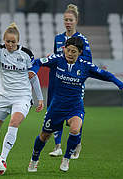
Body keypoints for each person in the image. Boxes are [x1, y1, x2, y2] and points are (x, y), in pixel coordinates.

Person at [27, 37, 123, 172]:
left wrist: (121, 85)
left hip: (75, 106)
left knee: (75, 129)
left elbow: (106, 75)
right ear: (64, 49)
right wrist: (33, 71)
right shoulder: (57, 59)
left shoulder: (85, 66)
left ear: (80, 52)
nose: (70, 54)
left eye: (74, 52)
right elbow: (37, 62)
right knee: (44, 135)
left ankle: (66, 160)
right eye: (68, 50)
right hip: (57, 106)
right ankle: (34, 159)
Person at [0, 22, 44, 171]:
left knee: (14, 122)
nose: (10, 44)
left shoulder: (26, 54)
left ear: (18, 42)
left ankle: (2, 159)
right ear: (4, 40)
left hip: (22, 97)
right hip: (3, 96)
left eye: (13, 42)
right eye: (7, 41)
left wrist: (40, 98)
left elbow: (33, 77)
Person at [48, 4, 92, 159]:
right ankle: (58, 146)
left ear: (76, 21)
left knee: (74, 115)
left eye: (70, 20)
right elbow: (56, 58)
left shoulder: (83, 40)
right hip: (57, 80)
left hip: (74, 82)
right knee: (54, 111)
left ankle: (76, 144)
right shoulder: (58, 39)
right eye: (65, 20)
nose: (68, 22)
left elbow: (88, 62)